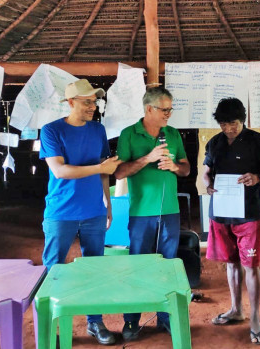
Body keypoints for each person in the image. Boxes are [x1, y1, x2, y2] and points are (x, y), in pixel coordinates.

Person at [39, 79, 121, 346]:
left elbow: (105, 168)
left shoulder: (98, 130)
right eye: (87, 102)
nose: (93, 107)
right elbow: (61, 171)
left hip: (94, 211)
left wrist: (108, 202)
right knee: (53, 269)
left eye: (95, 102)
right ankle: (49, 324)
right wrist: (100, 170)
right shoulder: (51, 130)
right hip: (60, 212)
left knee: (94, 267)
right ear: (71, 102)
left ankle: (94, 322)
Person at [114, 86, 190, 340]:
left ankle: (165, 318)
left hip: (170, 211)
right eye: (164, 109)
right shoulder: (129, 134)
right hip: (140, 213)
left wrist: (175, 166)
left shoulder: (173, 134)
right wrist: (148, 158)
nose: (169, 114)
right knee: (137, 266)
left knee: (167, 266)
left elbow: (187, 168)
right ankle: (132, 321)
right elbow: (119, 172)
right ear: (149, 109)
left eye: (170, 109)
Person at [202, 98, 260, 345]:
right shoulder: (215, 142)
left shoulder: (259, 142)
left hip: (248, 214)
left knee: (250, 265)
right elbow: (206, 170)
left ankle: (255, 318)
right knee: (231, 264)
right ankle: (236, 309)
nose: (228, 129)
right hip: (221, 213)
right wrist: (207, 181)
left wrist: (258, 178)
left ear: (243, 119)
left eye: (233, 123)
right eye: (224, 124)